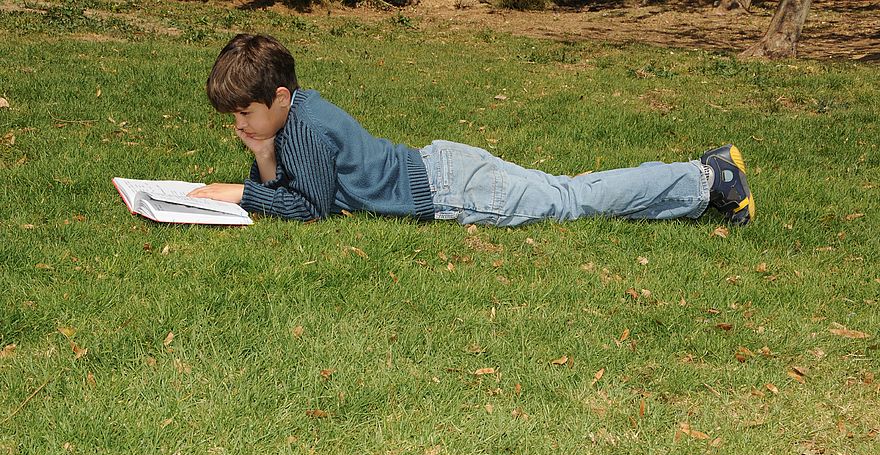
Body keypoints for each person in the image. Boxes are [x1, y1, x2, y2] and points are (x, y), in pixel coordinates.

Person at [189, 33, 755, 228]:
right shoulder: (300, 116)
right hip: (445, 168)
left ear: (279, 98)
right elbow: (293, 186)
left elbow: (306, 207)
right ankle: (697, 180)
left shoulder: (304, 128)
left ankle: (709, 178)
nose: (239, 124)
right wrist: (262, 153)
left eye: (246, 115)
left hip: (453, 190)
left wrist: (241, 192)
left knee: (569, 200)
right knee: (567, 191)